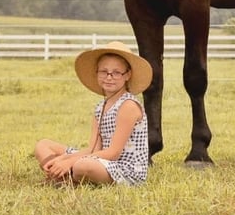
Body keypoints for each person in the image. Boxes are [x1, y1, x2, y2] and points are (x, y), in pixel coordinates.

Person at [34, 41, 152, 186]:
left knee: (82, 166)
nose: (109, 77)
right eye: (104, 71)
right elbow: (94, 148)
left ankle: (65, 177)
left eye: (116, 72)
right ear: (97, 73)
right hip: (101, 159)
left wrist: (71, 161)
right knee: (43, 145)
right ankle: (60, 174)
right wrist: (63, 159)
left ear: (127, 75)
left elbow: (113, 153)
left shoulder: (128, 105)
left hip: (125, 169)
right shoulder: (100, 107)